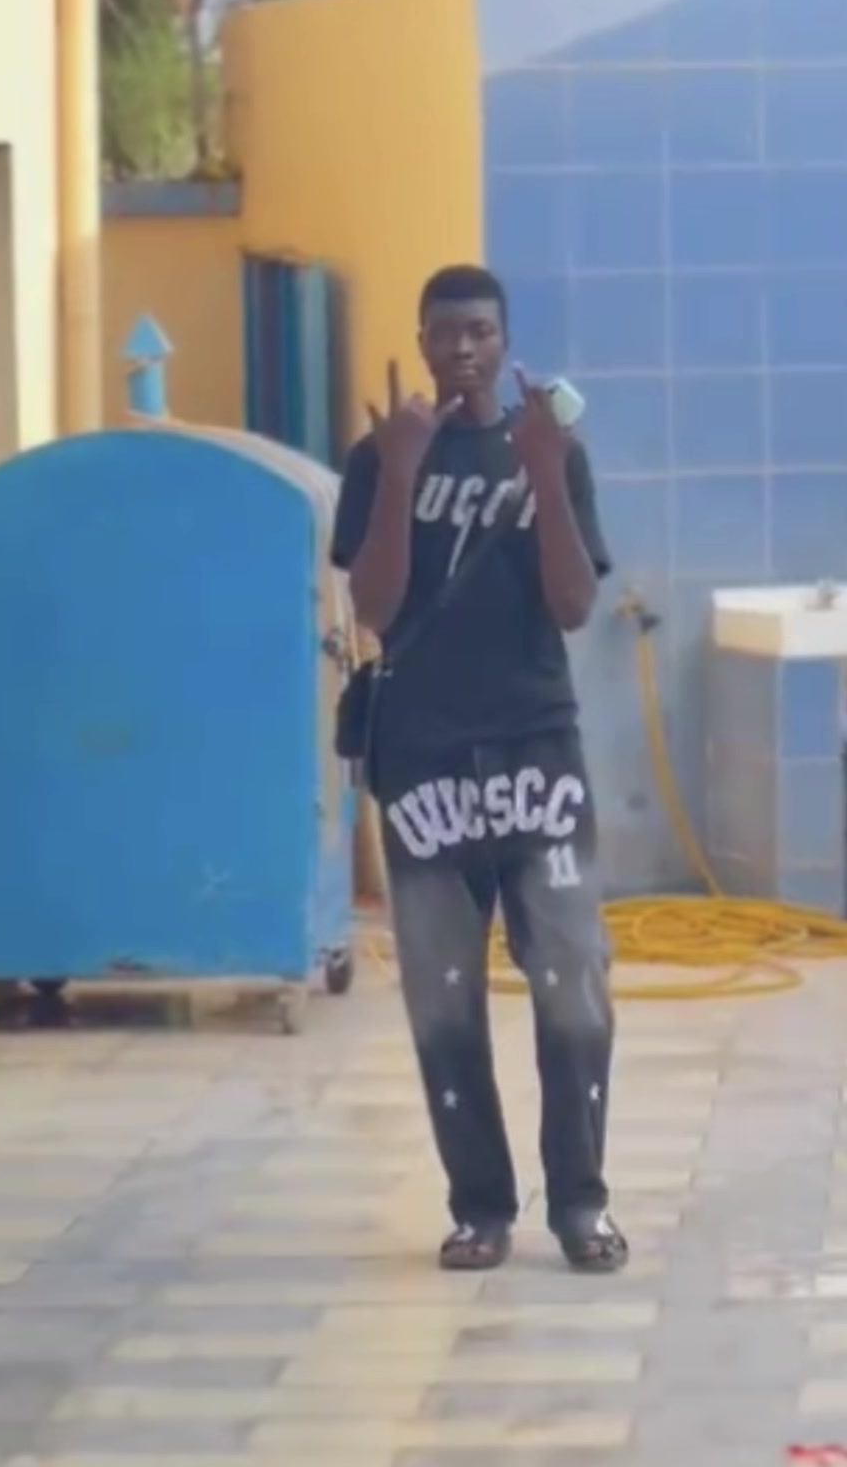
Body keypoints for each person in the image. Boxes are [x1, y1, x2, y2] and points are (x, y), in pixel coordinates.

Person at [331, 264, 627, 1275]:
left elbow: (574, 605)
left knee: (573, 980)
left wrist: (543, 471)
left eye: (481, 332)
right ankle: (481, 1211)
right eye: (446, 331)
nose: (463, 348)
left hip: (537, 747)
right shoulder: (379, 457)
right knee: (444, 993)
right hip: (424, 760)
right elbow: (376, 608)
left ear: (504, 343)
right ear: (421, 340)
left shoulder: (552, 449)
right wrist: (399, 473)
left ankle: (581, 1205)